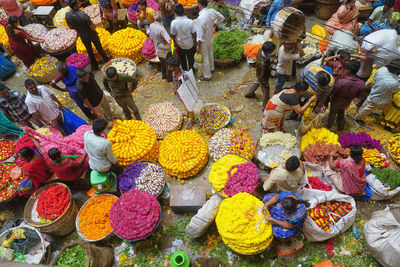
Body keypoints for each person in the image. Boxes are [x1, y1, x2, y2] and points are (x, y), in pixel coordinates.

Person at [25, 130, 90, 182]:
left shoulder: (48, 160)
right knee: (87, 158)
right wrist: (85, 153)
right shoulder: (67, 162)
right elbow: (79, 163)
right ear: (60, 154)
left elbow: (40, 147)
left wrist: (31, 136)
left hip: (61, 176)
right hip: (72, 176)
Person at [66, 0, 110, 70]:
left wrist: (79, 28)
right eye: (78, 3)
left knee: (89, 50)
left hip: (82, 35)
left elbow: (71, 27)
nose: (80, 2)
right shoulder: (83, 14)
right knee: (99, 48)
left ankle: (94, 66)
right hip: (91, 34)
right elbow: (92, 27)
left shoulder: (67, 15)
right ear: (75, 6)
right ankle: (108, 62)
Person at [354, 60, 400, 124]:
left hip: (374, 90)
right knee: (368, 109)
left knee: (367, 102)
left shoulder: (383, 69)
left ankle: (359, 111)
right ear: (397, 71)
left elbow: (374, 78)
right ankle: (358, 118)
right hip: (380, 98)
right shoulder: (393, 82)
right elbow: (396, 90)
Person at [327, 60, 365, 130]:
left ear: (348, 71)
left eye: (345, 69)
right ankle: (341, 127)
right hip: (346, 102)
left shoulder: (340, 81)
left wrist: (334, 78)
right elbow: (360, 97)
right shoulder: (361, 83)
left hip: (335, 101)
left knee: (332, 114)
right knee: (341, 114)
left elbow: (333, 91)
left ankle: (328, 126)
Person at [196, 0, 224, 81]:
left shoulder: (200, 18)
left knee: (205, 57)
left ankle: (207, 76)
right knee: (210, 53)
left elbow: (200, 35)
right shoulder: (212, 11)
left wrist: (198, 46)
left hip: (204, 40)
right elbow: (221, 18)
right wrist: (215, 23)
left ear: (199, 4)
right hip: (210, 37)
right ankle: (211, 68)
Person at [167, 56, 196, 128]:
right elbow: (174, 81)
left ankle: (192, 120)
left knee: (189, 107)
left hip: (185, 95)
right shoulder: (174, 72)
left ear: (175, 67)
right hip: (179, 94)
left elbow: (186, 87)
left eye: (170, 67)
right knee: (184, 105)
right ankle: (187, 113)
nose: (168, 68)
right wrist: (175, 89)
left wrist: (180, 80)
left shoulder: (184, 75)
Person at [245, 41, 276, 110]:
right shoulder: (263, 64)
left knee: (257, 82)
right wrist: (266, 85)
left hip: (259, 74)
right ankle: (264, 107)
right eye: (272, 51)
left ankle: (248, 93)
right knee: (266, 92)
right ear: (268, 52)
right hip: (263, 77)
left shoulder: (261, 50)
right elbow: (262, 78)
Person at [170, 4, 197, 71]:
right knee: (191, 59)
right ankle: (191, 71)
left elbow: (172, 35)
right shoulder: (190, 22)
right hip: (190, 44)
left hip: (180, 44)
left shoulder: (174, 23)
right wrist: (195, 42)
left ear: (175, 13)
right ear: (184, 11)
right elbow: (194, 34)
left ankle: (184, 71)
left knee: (182, 60)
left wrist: (175, 43)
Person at [149, 12, 172, 81]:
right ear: (161, 18)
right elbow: (169, 41)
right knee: (169, 63)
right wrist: (164, 42)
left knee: (163, 63)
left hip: (157, 48)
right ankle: (169, 78)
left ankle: (164, 75)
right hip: (164, 49)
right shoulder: (161, 29)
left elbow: (151, 37)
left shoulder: (151, 25)